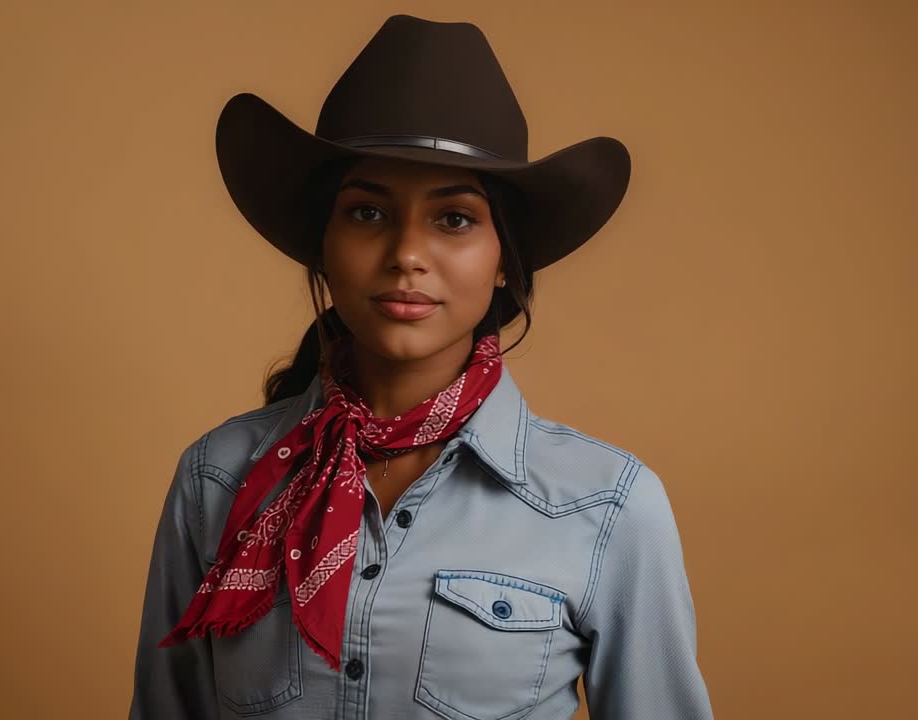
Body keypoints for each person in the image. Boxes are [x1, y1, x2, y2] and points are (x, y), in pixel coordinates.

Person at [129, 14, 713, 720]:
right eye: (369, 213)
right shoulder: (218, 481)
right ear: (324, 244)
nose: (407, 252)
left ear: (505, 261)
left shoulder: (608, 507)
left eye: (455, 218)